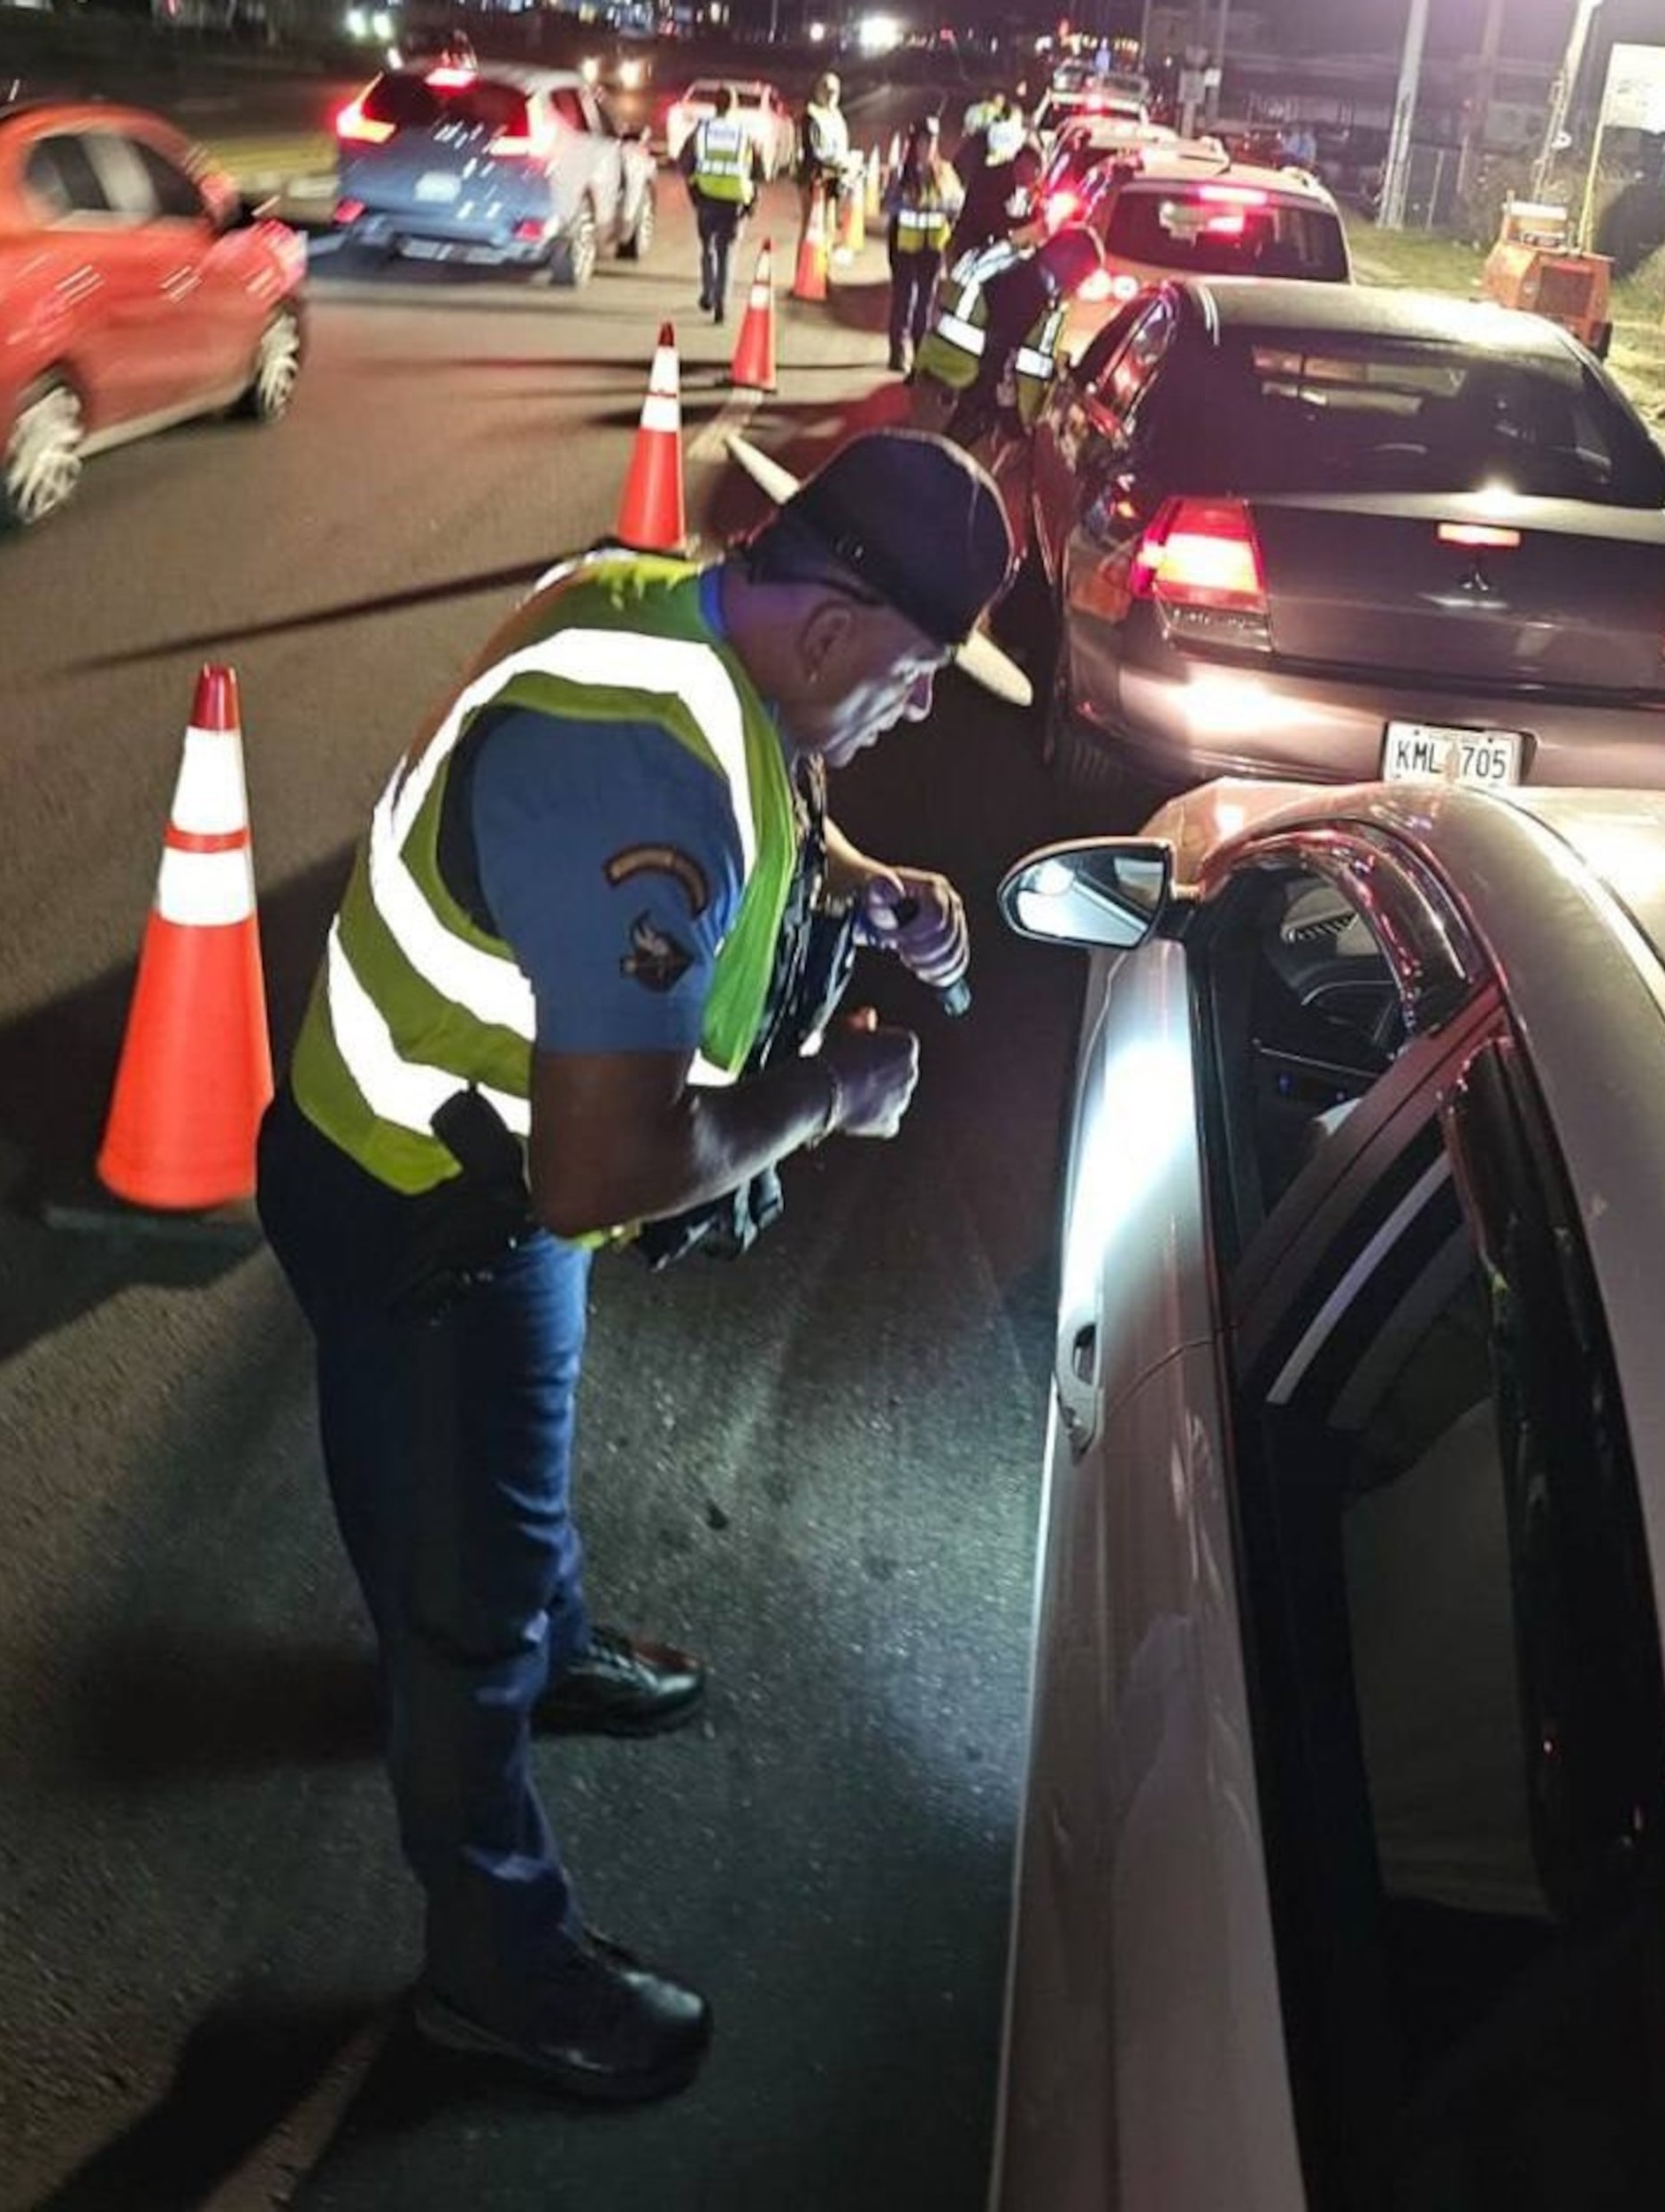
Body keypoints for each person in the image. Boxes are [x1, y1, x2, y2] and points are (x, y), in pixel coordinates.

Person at [257, 429, 1017, 2105]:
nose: (919, 712)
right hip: (424, 1211)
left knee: (504, 1481)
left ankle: (543, 1635)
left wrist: (862, 888)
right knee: (457, 1605)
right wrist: (836, 1092)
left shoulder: (668, 604)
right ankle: (493, 1964)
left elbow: (763, 809)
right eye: (914, 676)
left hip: (471, 1182)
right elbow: (605, 1168)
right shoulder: (639, 781)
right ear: (833, 628)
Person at [915, 223, 1104, 450]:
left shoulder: (1014, 267)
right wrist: (1010, 419)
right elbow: (999, 353)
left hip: (940, 367)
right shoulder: (1025, 288)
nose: (1081, 284)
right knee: (939, 458)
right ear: (1068, 263)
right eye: (1084, 275)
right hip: (964, 385)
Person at [883, 117, 963, 376]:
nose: (926, 147)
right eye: (922, 142)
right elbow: (888, 205)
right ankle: (897, 353)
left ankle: (920, 354)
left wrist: (939, 206)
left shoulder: (945, 173)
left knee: (925, 304)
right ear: (913, 144)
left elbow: (957, 204)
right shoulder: (901, 174)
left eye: (930, 142)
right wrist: (908, 203)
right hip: (904, 248)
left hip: (932, 249)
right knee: (903, 301)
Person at [682, 93, 762, 324]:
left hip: (706, 196)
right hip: (734, 200)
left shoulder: (702, 131)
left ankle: (708, 293)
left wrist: (694, 187)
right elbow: (759, 172)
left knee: (707, 247)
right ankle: (721, 304)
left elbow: (685, 163)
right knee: (726, 252)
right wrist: (752, 198)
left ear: (714, 105)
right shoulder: (744, 133)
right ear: (734, 106)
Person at [945, 137, 1040, 271]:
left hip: (976, 249)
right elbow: (994, 222)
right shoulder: (995, 181)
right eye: (1033, 174)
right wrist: (1027, 223)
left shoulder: (1007, 182)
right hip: (967, 249)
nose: (1033, 181)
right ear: (1022, 165)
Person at [800, 70, 855, 230]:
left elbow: (841, 145)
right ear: (819, 91)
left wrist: (847, 162)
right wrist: (840, 161)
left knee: (827, 227)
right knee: (812, 227)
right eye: (827, 90)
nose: (831, 95)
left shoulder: (836, 116)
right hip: (814, 177)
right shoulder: (813, 115)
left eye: (834, 91)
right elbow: (814, 151)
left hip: (833, 178)